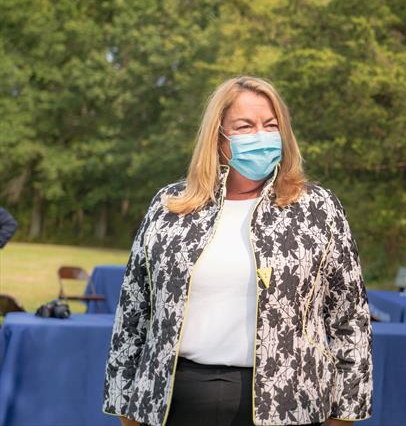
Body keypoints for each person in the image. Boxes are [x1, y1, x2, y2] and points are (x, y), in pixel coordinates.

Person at [103, 76, 372, 426]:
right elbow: (133, 311)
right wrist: (125, 400)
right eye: (245, 126)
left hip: (290, 403)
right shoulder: (170, 207)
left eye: (270, 125)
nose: (261, 135)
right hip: (177, 399)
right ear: (218, 137)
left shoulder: (317, 208)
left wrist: (347, 412)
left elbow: (349, 316)